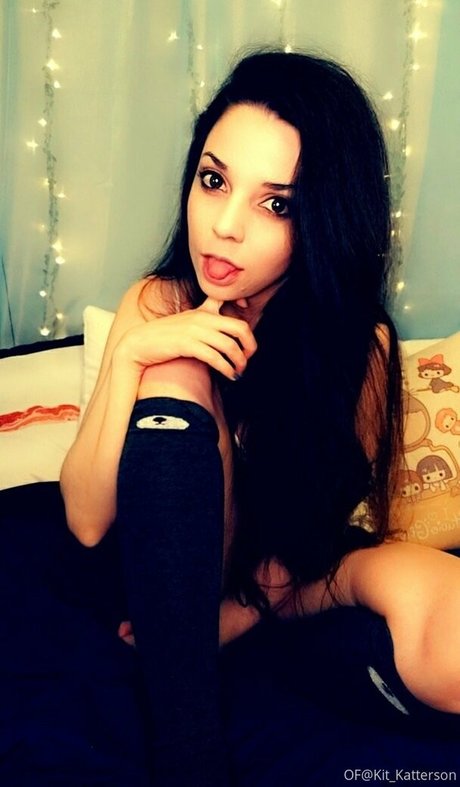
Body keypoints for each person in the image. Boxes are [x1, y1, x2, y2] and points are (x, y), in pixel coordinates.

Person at [1, 50, 459, 786]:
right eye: (214, 181)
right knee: (178, 367)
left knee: (443, 612)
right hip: (159, 572)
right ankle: (190, 748)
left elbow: (314, 528)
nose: (224, 226)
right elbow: (85, 520)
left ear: (321, 219)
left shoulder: (359, 345)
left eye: (276, 204)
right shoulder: (157, 301)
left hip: (282, 579)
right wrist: (132, 357)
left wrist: (240, 614)